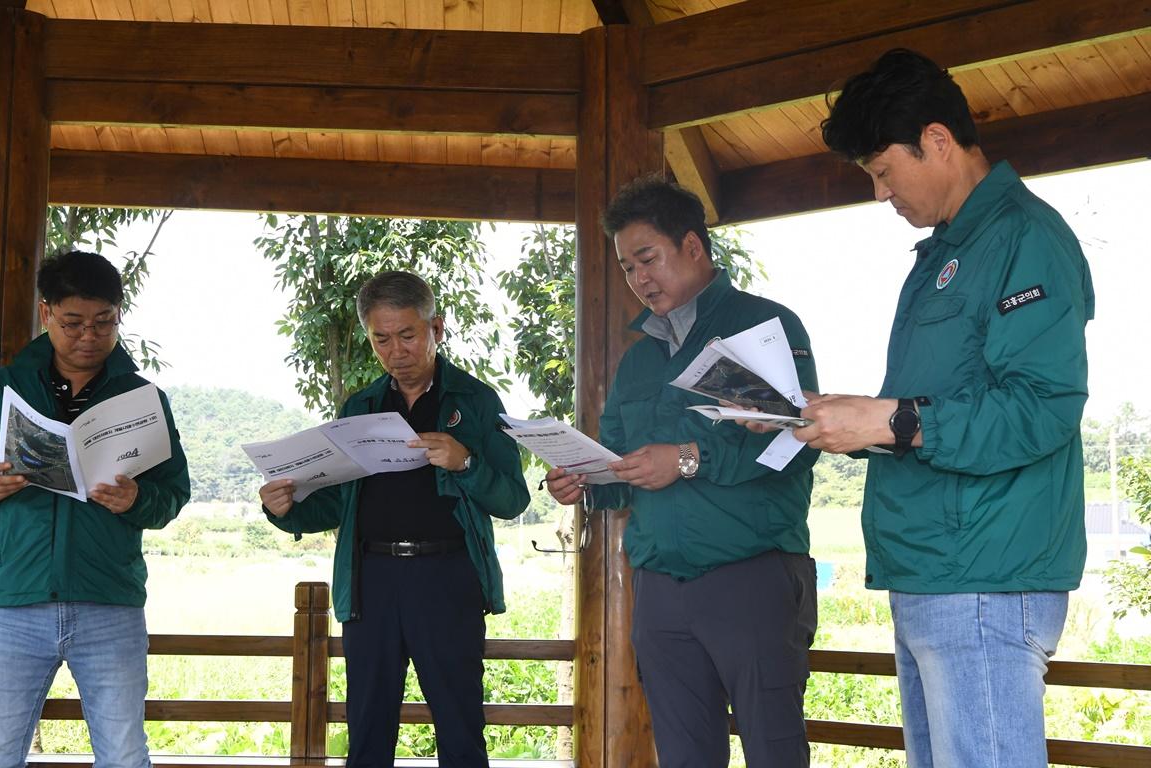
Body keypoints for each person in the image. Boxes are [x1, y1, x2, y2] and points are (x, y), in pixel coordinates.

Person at [791, 48, 1094, 767]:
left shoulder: (1025, 238)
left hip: (987, 574)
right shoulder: (940, 258)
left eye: (882, 171)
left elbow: (1042, 407)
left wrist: (891, 419)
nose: (879, 193)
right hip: (932, 569)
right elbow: (927, 411)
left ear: (936, 141)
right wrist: (842, 420)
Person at [545, 178, 820, 767]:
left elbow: (795, 443)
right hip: (659, 589)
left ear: (693, 247)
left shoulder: (761, 329)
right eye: (626, 268)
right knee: (684, 758)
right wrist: (584, 480)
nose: (639, 279)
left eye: (648, 259)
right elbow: (618, 461)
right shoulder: (638, 358)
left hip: (752, 578)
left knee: (775, 753)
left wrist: (689, 458)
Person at [259, 271, 528, 768]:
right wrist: (286, 507)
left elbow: (513, 499)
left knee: (460, 724)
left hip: (448, 577)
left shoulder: (475, 401)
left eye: (408, 335)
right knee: (366, 724)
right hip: (372, 580)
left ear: (437, 329)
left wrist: (465, 462)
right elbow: (338, 501)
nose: (396, 350)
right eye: (381, 339)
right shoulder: (359, 406)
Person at [0, 250, 191, 767]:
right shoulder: (2, 389)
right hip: (16, 602)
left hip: (109, 601)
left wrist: (137, 499)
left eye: (104, 322)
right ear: (45, 314)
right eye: (73, 322)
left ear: (118, 316)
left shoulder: (143, 397)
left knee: (125, 755)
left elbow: (173, 494)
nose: (89, 336)